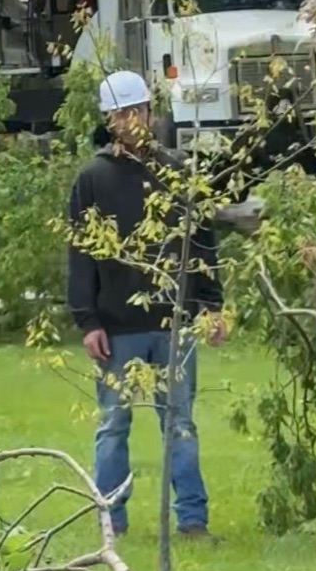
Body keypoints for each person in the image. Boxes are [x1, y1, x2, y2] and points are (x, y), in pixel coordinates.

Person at [66, 69, 228, 540]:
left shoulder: (178, 172)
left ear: (151, 114)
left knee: (180, 424)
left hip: (173, 321)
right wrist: (87, 319)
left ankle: (192, 520)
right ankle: (111, 519)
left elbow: (201, 243)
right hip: (117, 327)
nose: (132, 120)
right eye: (122, 113)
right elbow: (81, 253)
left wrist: (210, 305)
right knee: (114, 425)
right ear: (109, 120)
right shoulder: (92, 178)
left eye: (138, 111)